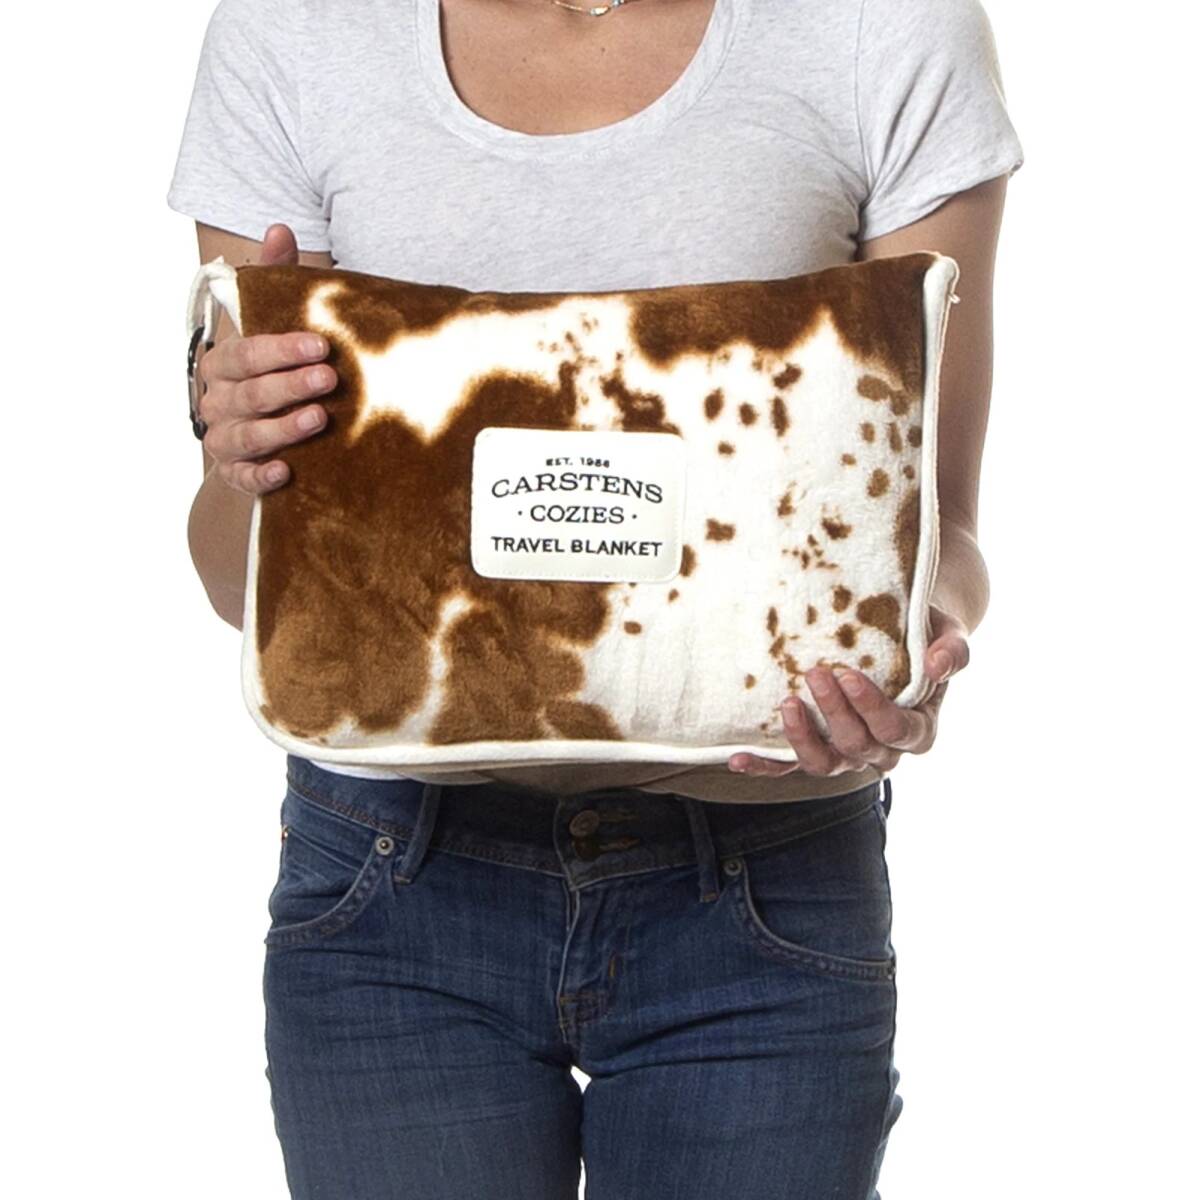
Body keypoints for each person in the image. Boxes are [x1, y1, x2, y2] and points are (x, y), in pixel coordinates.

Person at [167, 0, 1023, 1194]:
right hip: (390, 884)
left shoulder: (884, 26)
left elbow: (941, 533)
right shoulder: (296, 31)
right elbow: (240, 587)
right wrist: (238, 454)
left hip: (765, 880)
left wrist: (912, 659)